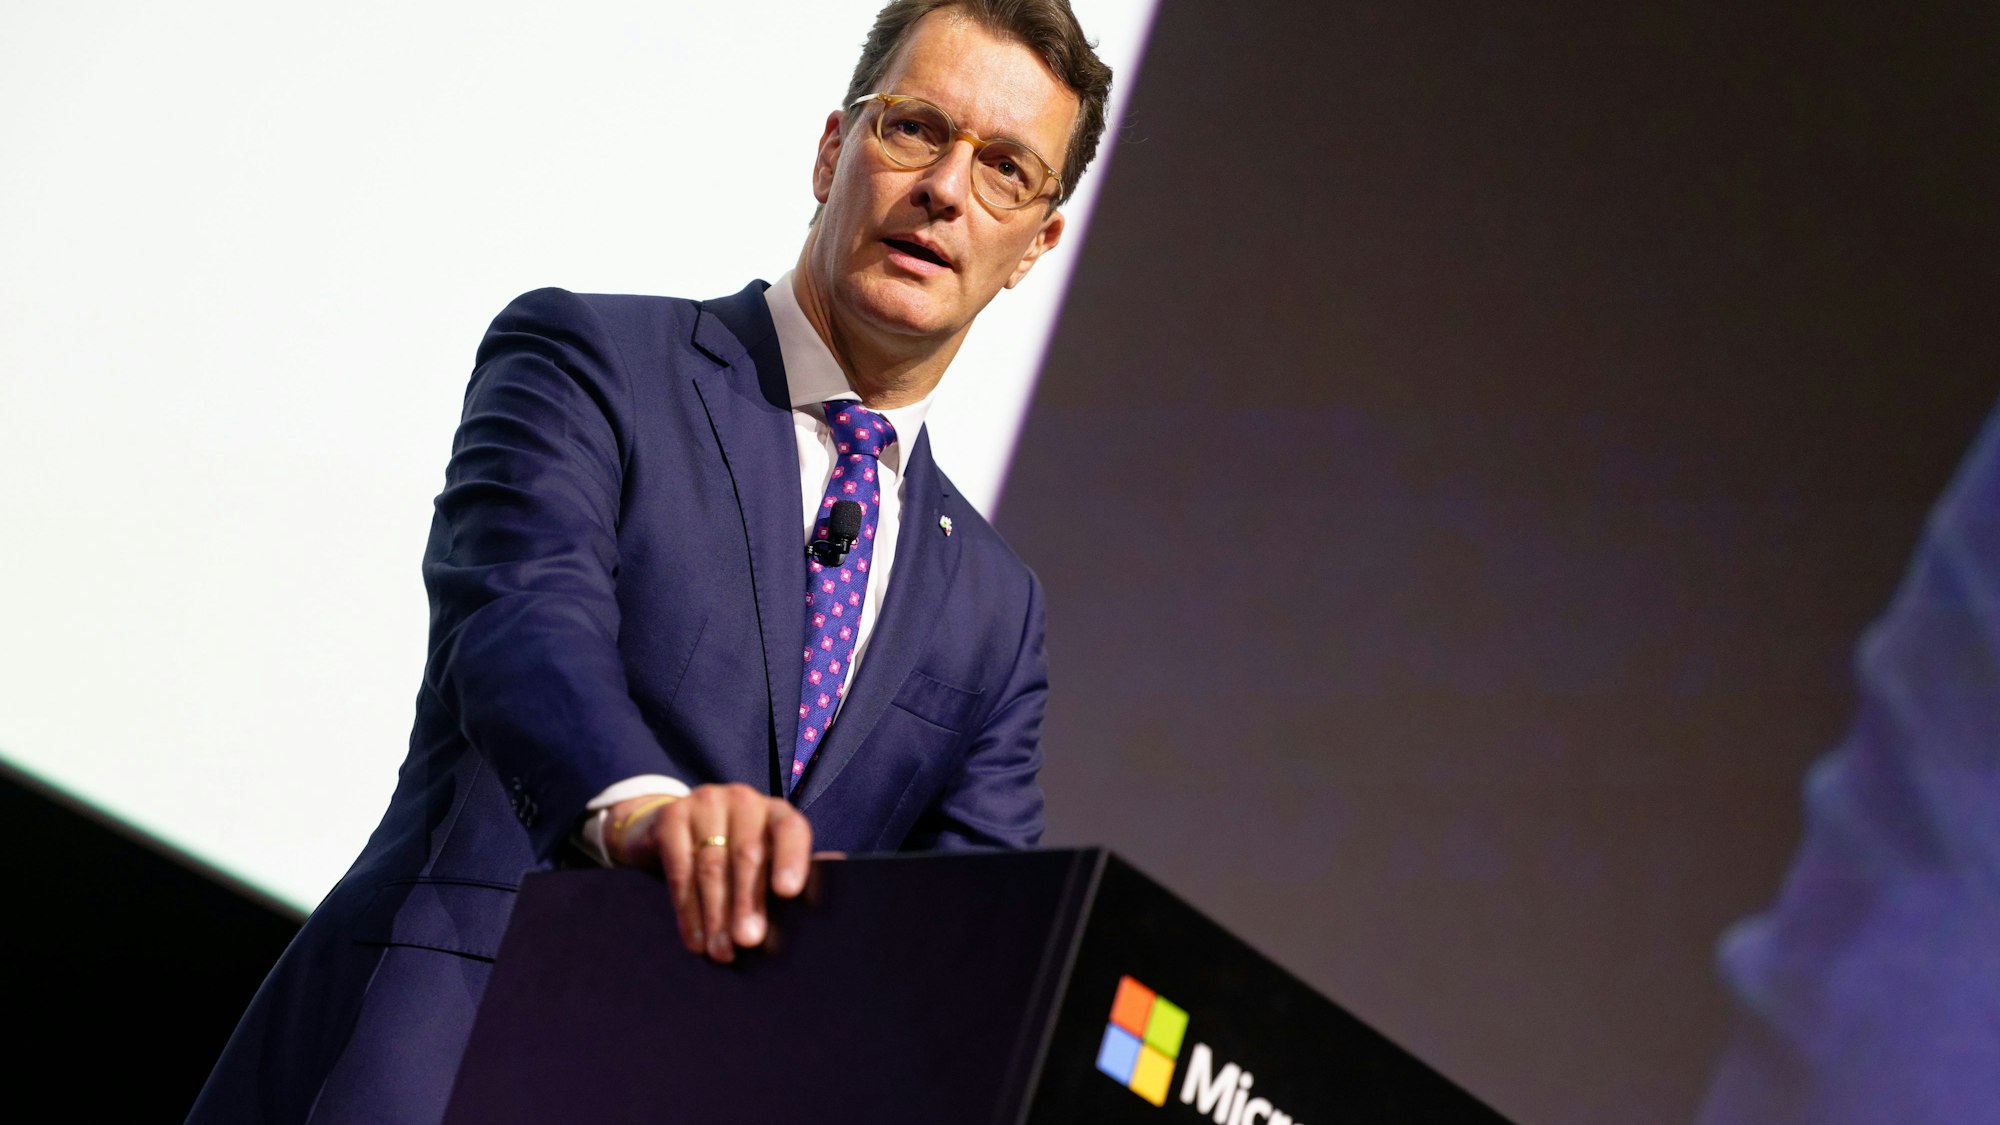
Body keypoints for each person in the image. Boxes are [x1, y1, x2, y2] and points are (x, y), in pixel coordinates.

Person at [187, 2, 1113, 1121]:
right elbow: (521, 627)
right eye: (914, 130)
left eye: (1006, 168)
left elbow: (963, 941)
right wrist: (643, 812)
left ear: (1038, 243)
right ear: (832, 150)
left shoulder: (992, 610)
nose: (946, 190)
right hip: (437, 1063)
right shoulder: (593, 360)